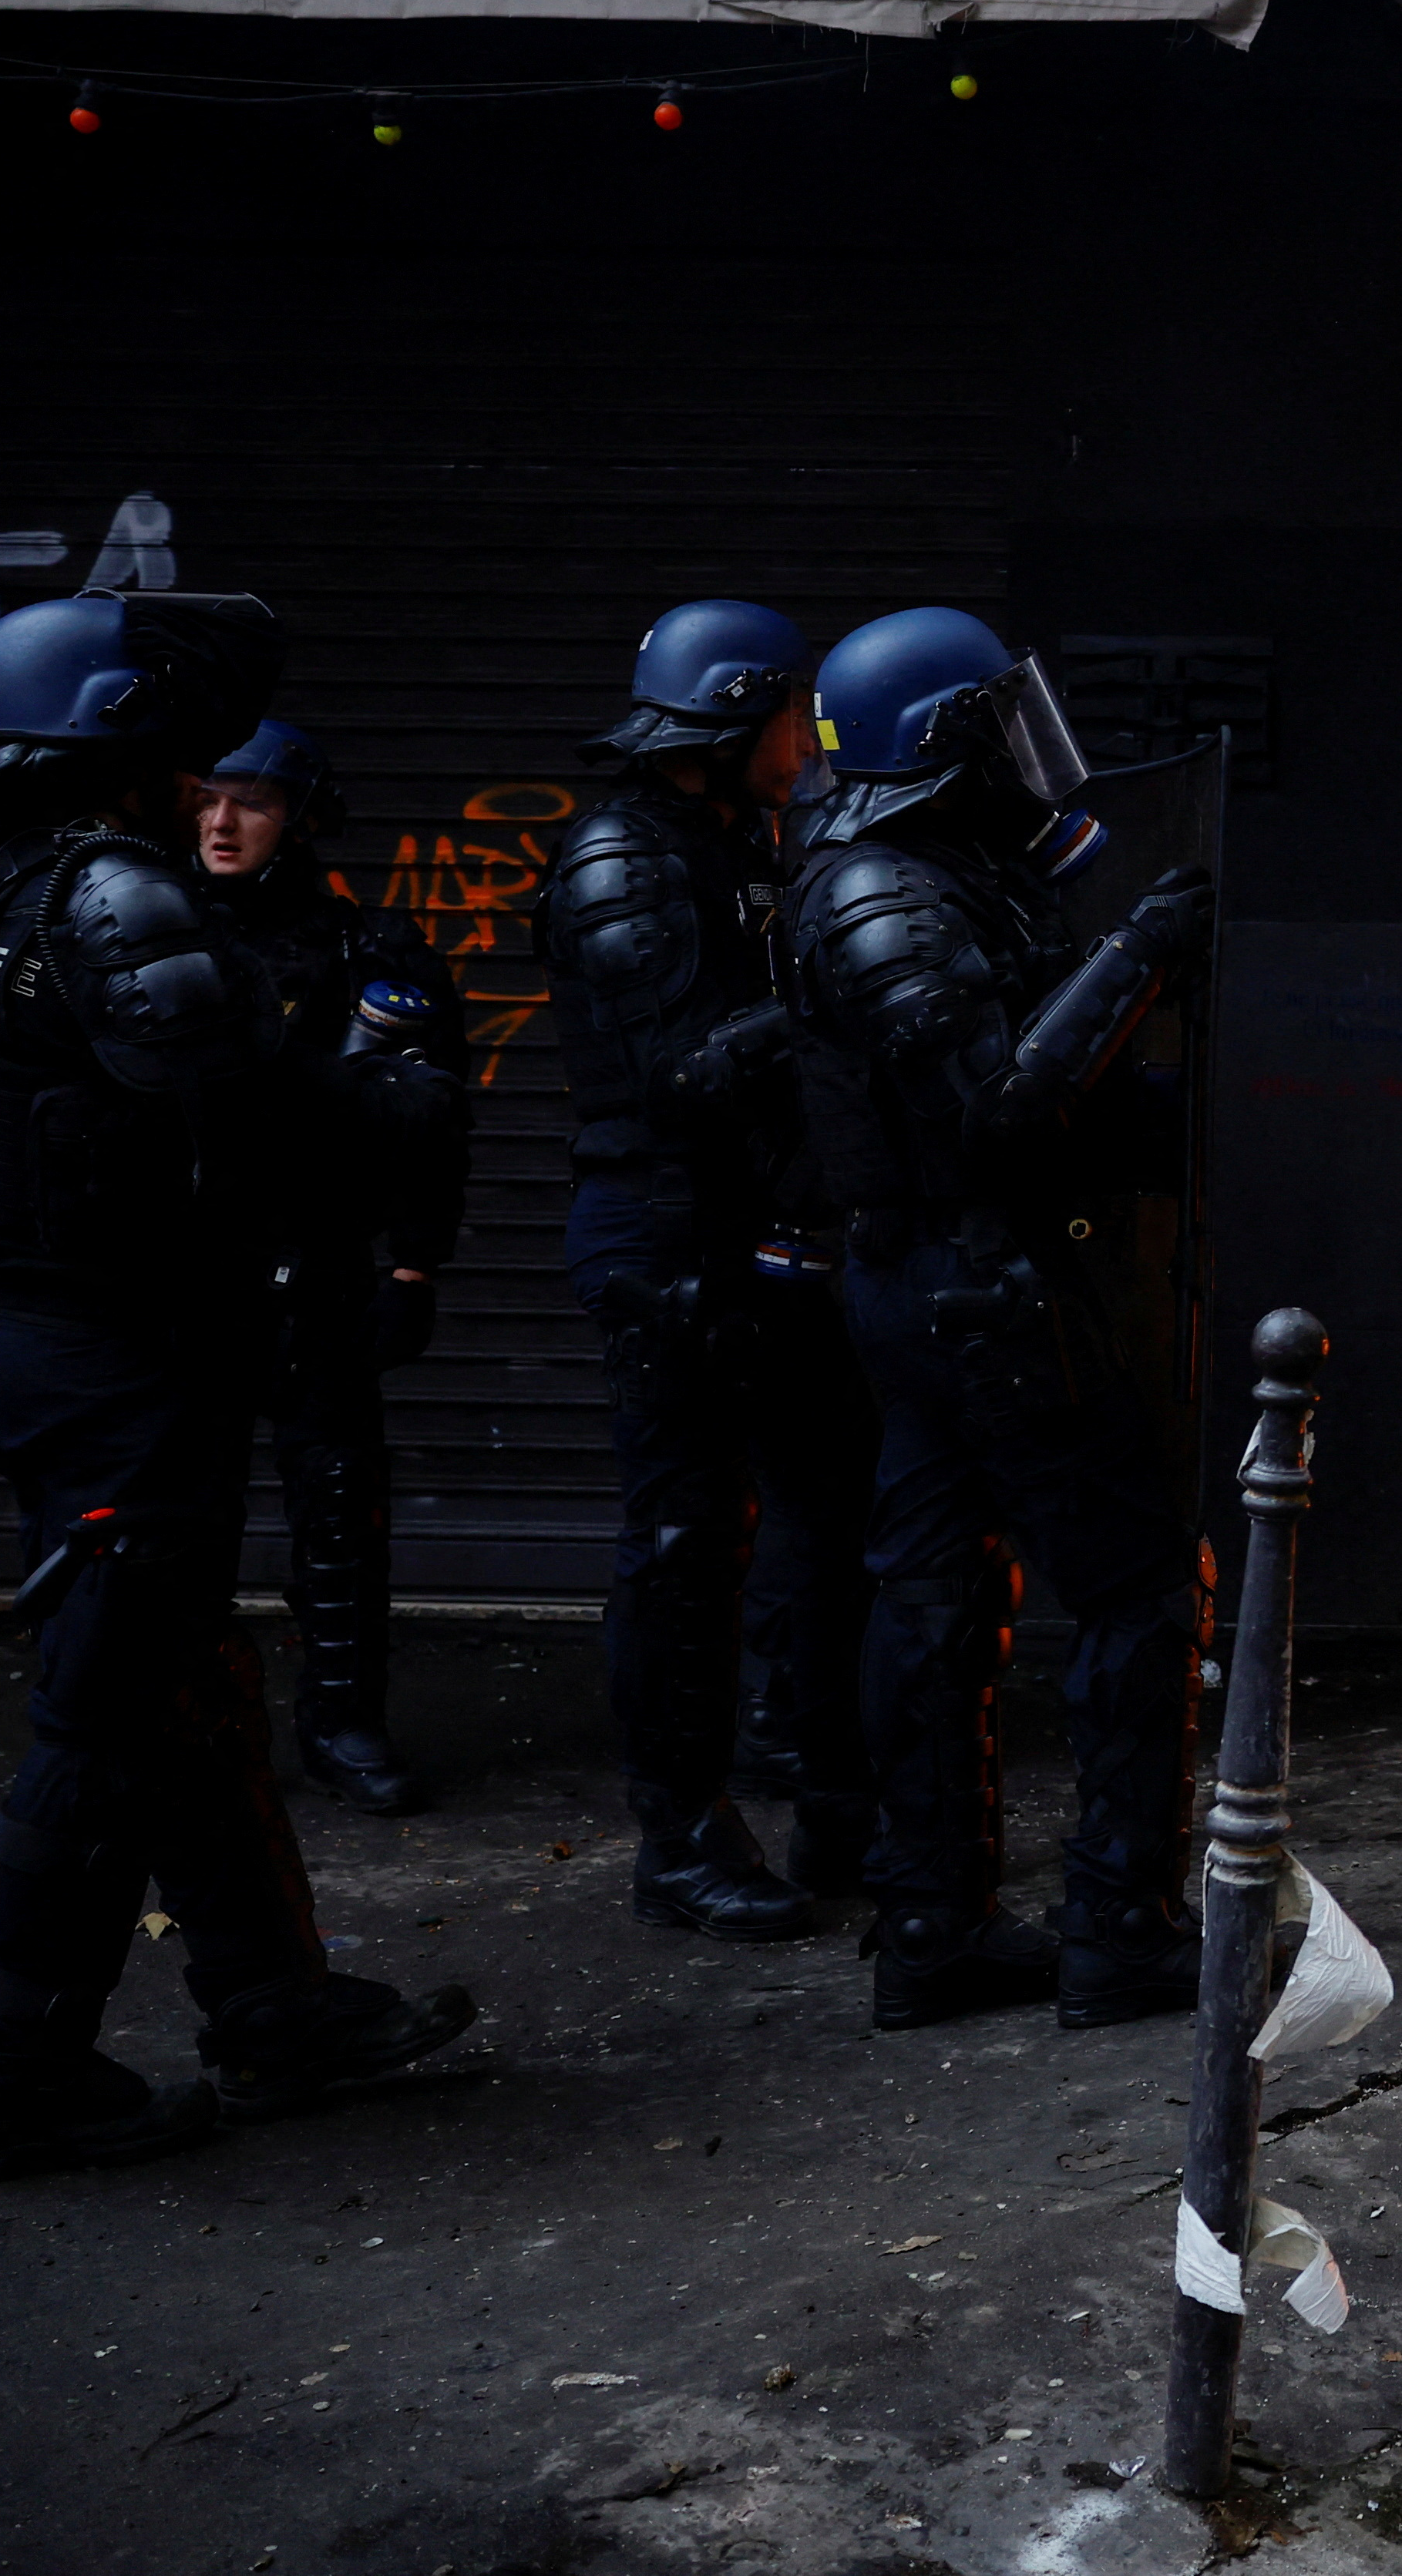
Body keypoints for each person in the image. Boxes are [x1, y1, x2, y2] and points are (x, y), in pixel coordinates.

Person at [0, 588, 477, 2185]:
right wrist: (392, 1085)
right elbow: (260, 1119)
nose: (207, 774)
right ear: (126, 741)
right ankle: (9, 2071)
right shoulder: (103, 896)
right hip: (115, 1361)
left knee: (190, 1690)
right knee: (102, 1718)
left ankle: (277, 2009)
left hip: (81, 1341)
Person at [785, 607, 1216, 2031]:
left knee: (933, 1601)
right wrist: (1144, 950)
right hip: (991, 1292)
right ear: (948, 744)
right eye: (998, 723)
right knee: (1137, 1594)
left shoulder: (917, 872)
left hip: (934, 1291)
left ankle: (933, 1928)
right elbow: (998, 1110)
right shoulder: (884, 895)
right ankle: (1121, 1931)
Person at [539, 602, 878, 1942]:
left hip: (761, 1231)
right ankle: (678, 1842)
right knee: (684, 1547)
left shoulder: (736, 838)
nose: (806, 746)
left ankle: (835, 1799)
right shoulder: (622, 858)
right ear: (735, 719)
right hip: (663, 1236)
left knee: (823, 1517)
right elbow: (682, 1073)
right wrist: (831, 995)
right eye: (791, 718)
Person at [190, 722, 469, 1814]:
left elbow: (434, 1128)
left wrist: (415, 1269)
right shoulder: (139, 934)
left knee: (343, 1514)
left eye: (249, 802)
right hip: (190, 1279)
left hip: (320, 1272)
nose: (220, 823)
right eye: (205, 797)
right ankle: (188, 1732)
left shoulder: (369, 955)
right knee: (179, 1523)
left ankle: (344, 1725)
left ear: (297, 816)